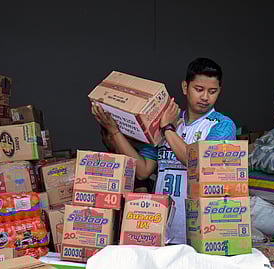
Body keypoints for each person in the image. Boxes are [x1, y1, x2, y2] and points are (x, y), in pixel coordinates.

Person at [91, 57, 236, 244]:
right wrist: (114, 131)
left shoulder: (222, 125)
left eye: (212, 91)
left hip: (202, 232)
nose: (205, 97)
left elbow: (199, 163)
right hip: (161, 229)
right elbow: (143, 170)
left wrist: (167, 129)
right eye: (198, 89)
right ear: (185, 87)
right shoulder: (165, 122)